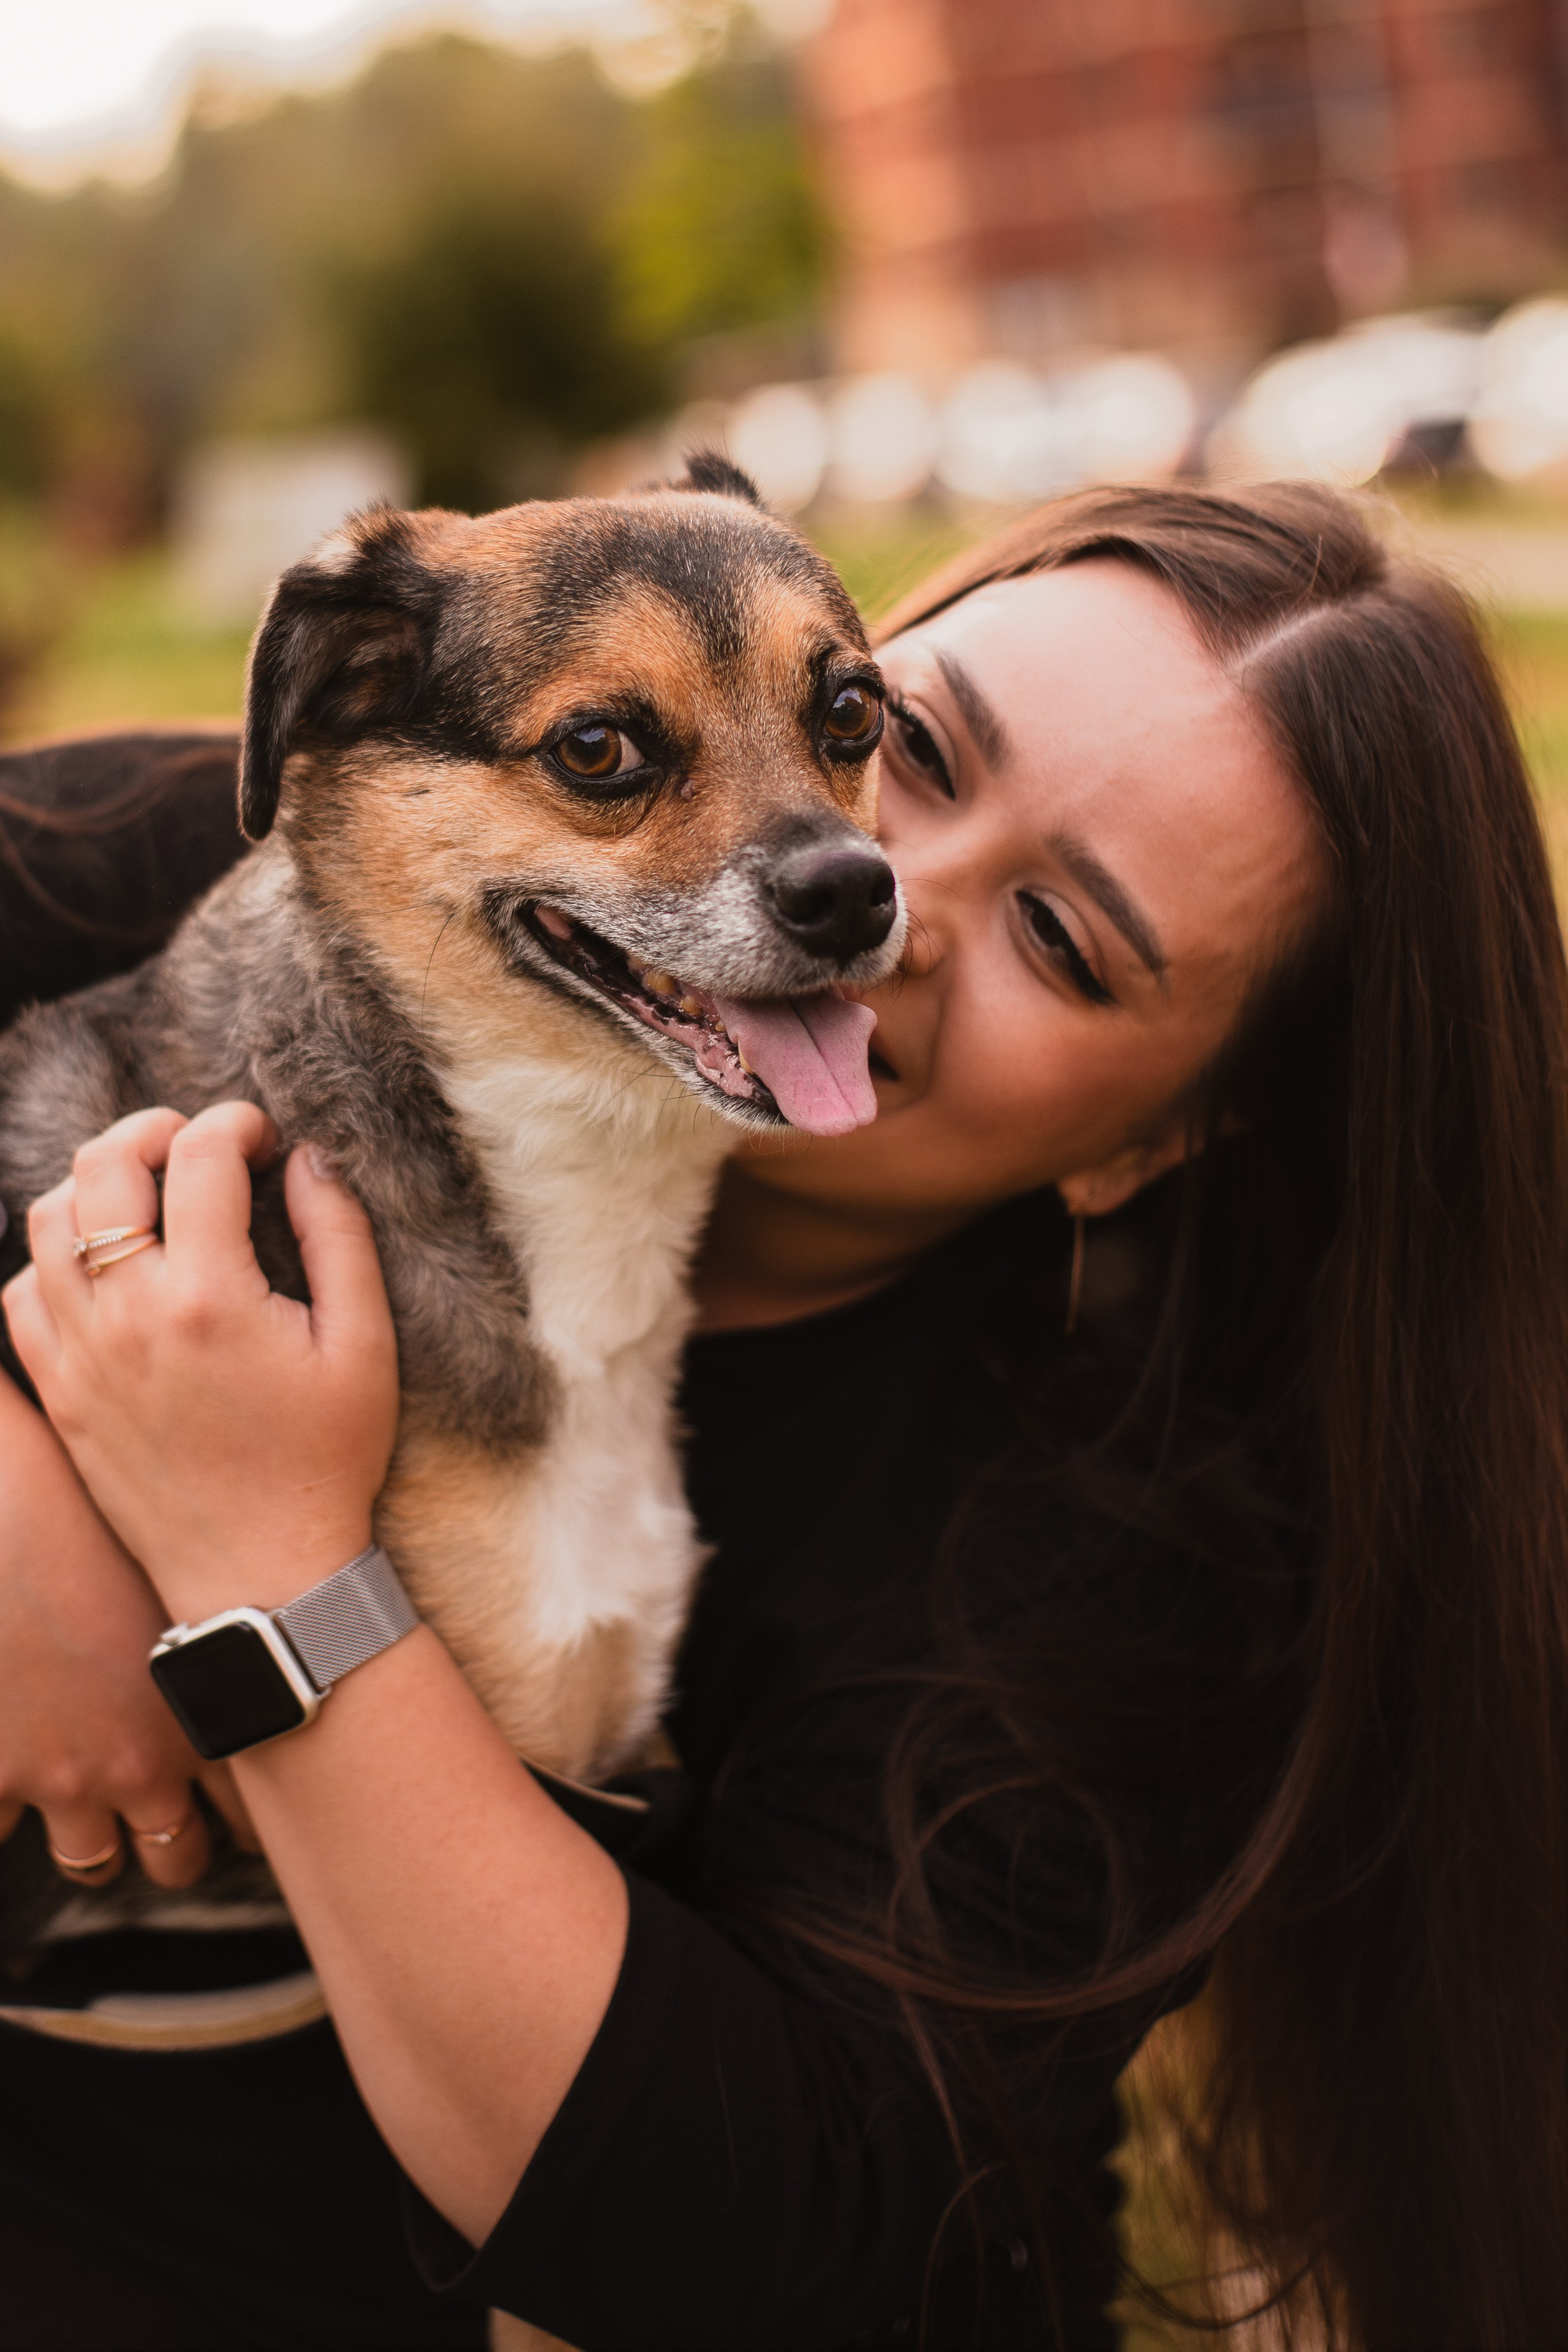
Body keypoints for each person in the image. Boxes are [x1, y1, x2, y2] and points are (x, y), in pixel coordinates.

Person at [1, 483, 1564, 2352]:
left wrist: (267, 1583)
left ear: (1165, 1134)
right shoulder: (215, 853)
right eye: (896, 738)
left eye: (1062, 942)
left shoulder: (1109, 1556)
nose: (872, 891)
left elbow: (755, 2248)